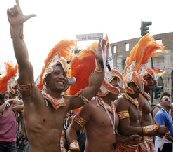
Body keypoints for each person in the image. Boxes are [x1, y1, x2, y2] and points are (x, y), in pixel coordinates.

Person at [7, 1, 105, 152]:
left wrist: (100, 63)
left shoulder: (66, 103)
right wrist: (16, 32)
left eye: (64, 74)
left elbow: (92, 89)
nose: (62, 77)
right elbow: (24, 63)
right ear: (46, 79)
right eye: (57, 73)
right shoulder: (33, 98)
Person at [67, 69, 133, 152]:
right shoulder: (91, 107)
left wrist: (127, 140)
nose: (119, 89)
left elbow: (109, 136)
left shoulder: (114, 107)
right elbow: (72, 129)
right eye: (115, 86)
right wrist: (74, 144)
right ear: (105, 88)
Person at [115, 71, 167, 152]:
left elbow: (138, 123)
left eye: (140, 84)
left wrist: (153, 131)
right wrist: (153, 129)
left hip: (139, 143)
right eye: (135, 85)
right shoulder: (122, 100)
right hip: (127, 147)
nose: (138, 88)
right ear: (127, 85)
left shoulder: (134, 100)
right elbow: (124, 129)